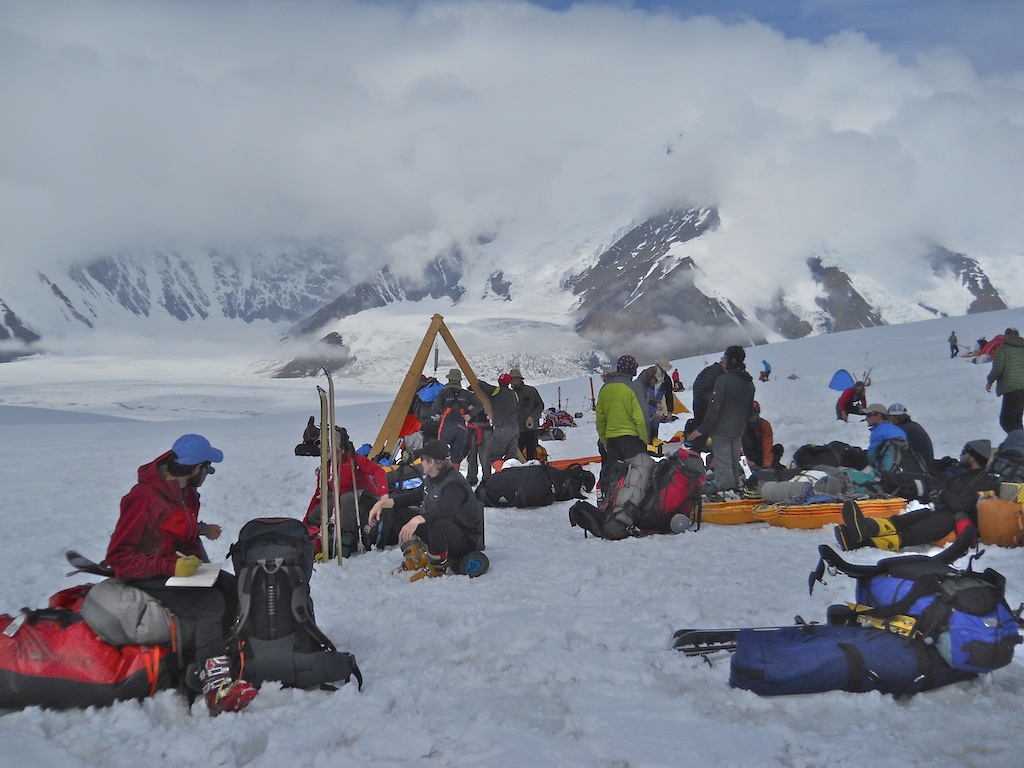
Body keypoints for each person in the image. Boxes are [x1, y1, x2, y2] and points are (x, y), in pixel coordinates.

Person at [104, 434, 257, 716]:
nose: (208, 474)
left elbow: (176, 528)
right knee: (209, 604)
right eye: (208, 468)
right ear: (196, 468)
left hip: (173, 568)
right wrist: (170, 567)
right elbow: (119, 557)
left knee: (232, 587)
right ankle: (216, 689)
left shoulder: (184, 491)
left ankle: (215, 659)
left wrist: (201, 540)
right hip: (145, 574)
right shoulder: (144, 498)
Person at [835, 440, 999, 551]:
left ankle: (861, 543)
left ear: (972, 456)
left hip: (953, 521)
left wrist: (943, 493)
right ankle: (864, 528)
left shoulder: (985, 482)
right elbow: (942, 491)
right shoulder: (963, 475)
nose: (961, 455)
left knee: (909, 534)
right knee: (899, 521)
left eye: (964, 452)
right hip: (941, 512)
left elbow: (961, 505)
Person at [367, 439, 484, 581]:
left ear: (431, 462)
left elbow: (445, 510)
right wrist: (382, 504)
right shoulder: (432, 477)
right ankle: (416, 557)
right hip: (439, 533)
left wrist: (417, 520)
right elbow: (413, 496)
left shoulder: (454, 483)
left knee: (437, 521)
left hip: (464, 540)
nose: (419, 462)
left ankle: (436, 566)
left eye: (422, 459)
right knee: (397, 510)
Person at [304, 426, 390, 558]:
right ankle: (322, 538)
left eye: (327, 445)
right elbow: (319, 495)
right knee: (316, 514)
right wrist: (306, 521)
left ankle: (347, 540)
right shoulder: (326, 467)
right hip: (342, 503)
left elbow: (378, 471)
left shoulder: (353, 459)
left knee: (347, 499)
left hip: (365, 502)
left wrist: (383, 493)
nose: (324, 449)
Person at [688, 345, 756, 495]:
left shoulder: (723, 380)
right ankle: (736, 490)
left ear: (732, 360)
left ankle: (727, 493)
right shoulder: (749, 383)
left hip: (722, 430)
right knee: (733, 463)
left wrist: (701, 429)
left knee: (723, 464)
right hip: (738, 430)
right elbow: (749, 410)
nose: (723, 360)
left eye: (725, 357)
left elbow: (714, 408)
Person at [595, 355, 650, 500]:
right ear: (632, 369)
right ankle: (634, 506)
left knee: (615, 476)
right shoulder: (634, 387)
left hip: (612, 441)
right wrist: (645, 439)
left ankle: (612, 505)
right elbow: (641, 417)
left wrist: (604, 440)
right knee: (637, 477)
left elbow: (600, 418)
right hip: (631, 441)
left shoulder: (605, 388)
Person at [431, 369, 484, 464]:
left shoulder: (443, 393)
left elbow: (434, 407)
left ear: (449, 379)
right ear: (459, 380)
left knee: (440, 453)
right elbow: (480, 404)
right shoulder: (467, 394)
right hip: (461, 427)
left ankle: (441, 472)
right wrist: (470, 415)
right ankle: (455, 472)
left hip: (446, 426)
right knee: (456, 456)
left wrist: (442, 410)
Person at [478, 374, 524, 465]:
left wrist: (475, 384)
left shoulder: (497, 391)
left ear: (499, 382)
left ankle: (500, 472)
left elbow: (482, 385)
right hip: (514, 428)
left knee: (495, 455)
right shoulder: (514, 394)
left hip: (502, 428)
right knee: (511, 456)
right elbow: (517, 409)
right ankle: (510, 471)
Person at [986, 327, 1024, 434]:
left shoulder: (1003, 349)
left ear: (1006, 336)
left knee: (1006, 420)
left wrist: (990, 380)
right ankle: (1019, 441)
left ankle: (1019, 441)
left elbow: (998, 368)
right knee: (1016, 419)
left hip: (1012, 387)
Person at [887, 403, 936, 471]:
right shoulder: (913, 426)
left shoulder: (902, 430)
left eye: (889, 417)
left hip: (921, 469)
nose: (888, 420)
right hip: (928, 464)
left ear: (895, 417)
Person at [689, 357, 724, 451]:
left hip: (703, 407)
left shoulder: (714, 371)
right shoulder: (713, 372)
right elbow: (702, 390)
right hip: (703, 409)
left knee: (703, 435)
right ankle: (695, 456)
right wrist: (716, 402)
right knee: (701, 436)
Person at [510, 368, 545, 461]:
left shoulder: (531, 391)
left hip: (531, 429)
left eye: (515, 379)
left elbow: (540, 405)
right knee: (517, 456)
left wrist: (533, 417)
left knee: (532, 454)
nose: (513, 382)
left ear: (520, 379)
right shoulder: (510, 394)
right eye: (511, 380)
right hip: (517, 431)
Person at [862, 403, 907, 467]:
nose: (866, 418)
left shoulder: (878, 431)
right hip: (900, 464)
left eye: (868, 415)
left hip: (885, 466)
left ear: (878, 416)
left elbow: (871, 457)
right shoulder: (897, 429)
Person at [741, 401, 782, 470]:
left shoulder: (764, 425)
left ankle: (772, 467)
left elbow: (767, 446)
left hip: (759, 454)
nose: (753, 416)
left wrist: (766, 466)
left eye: (755, 414)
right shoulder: (740, 425)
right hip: (746, 455)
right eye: (751, 414)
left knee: (778, 448)